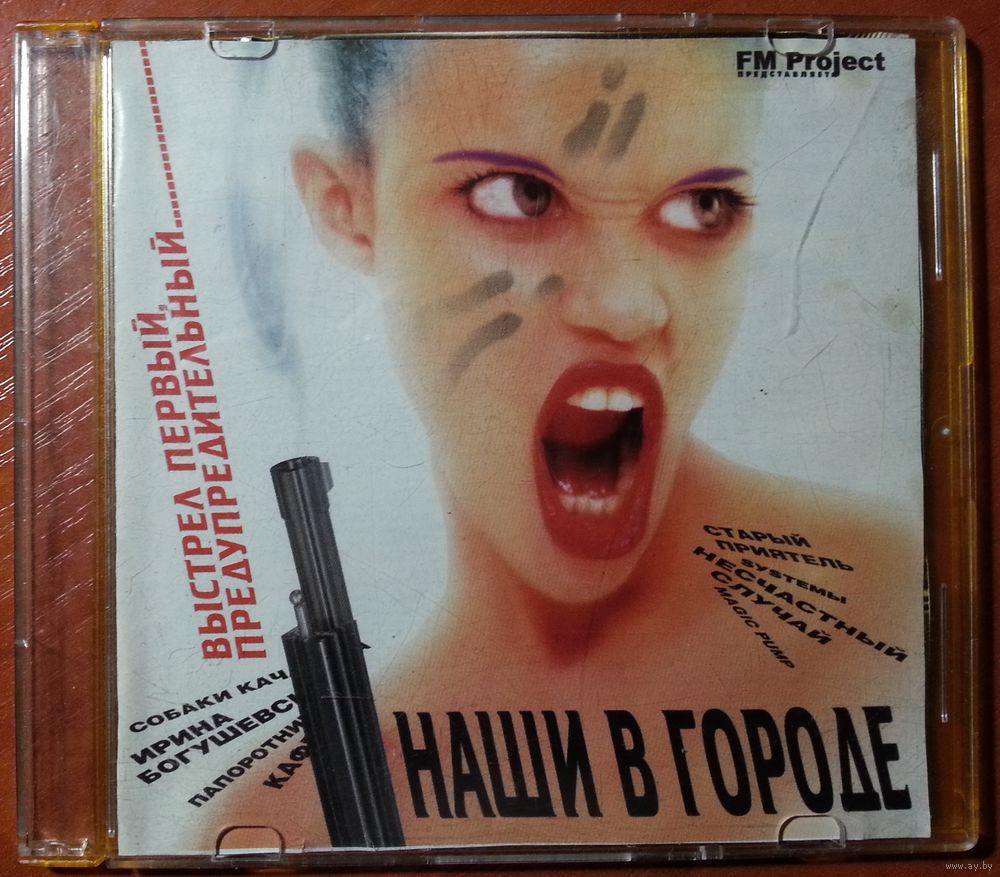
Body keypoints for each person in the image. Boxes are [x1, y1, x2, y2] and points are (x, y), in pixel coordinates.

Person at [228, 35, 923, 848]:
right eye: (521, 197)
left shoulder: (893, 607)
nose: (628, 305)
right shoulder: (284, 820)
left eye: (702, 206)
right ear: (345, 206)